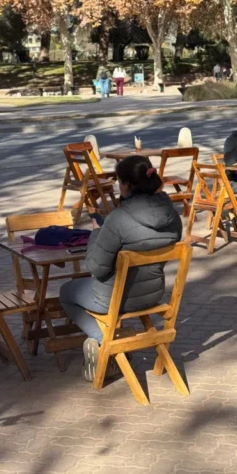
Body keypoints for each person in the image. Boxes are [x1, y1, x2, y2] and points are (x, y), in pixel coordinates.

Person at [60, 155, 183, 381]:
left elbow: (96, 267)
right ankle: (113, 343)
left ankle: (107, 341)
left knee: (66, 291)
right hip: (153, 294)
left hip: (115, 297)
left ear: (126, 184)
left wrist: (97, 232)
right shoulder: (173, 216)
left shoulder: (118, 219)